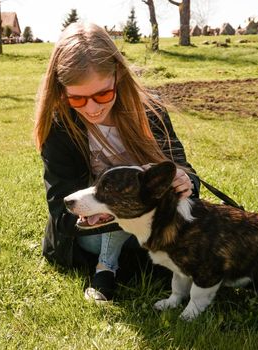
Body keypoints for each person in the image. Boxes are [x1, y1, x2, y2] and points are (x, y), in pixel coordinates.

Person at [33, 22, 200, 302]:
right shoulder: (59, 127)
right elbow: (62, 213)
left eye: (102, 94)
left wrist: (184, 180)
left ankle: (111, 267)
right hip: (90, 233)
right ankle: (106, 266)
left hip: (150, 223)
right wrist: (111, 213)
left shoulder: (150, 109)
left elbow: (184, 171)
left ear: (118, 75)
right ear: (61, 91)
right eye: (77, 99)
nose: (92, 108)